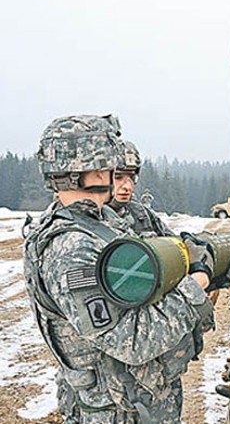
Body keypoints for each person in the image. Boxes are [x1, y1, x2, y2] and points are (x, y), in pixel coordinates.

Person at [23, 115, 215, 423]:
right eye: (112, 167)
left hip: (137, 400)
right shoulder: (71, 248)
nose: (117, 177)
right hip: (117, 411)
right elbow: (134, 342)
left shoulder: (97, 222)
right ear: (96, 169)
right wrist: (197, 282)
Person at [110, 139, 172, 237]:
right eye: (118, 177)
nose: (127, 186)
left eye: (131, 177)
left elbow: (173, 241)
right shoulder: (89, 220)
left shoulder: (140, 213)